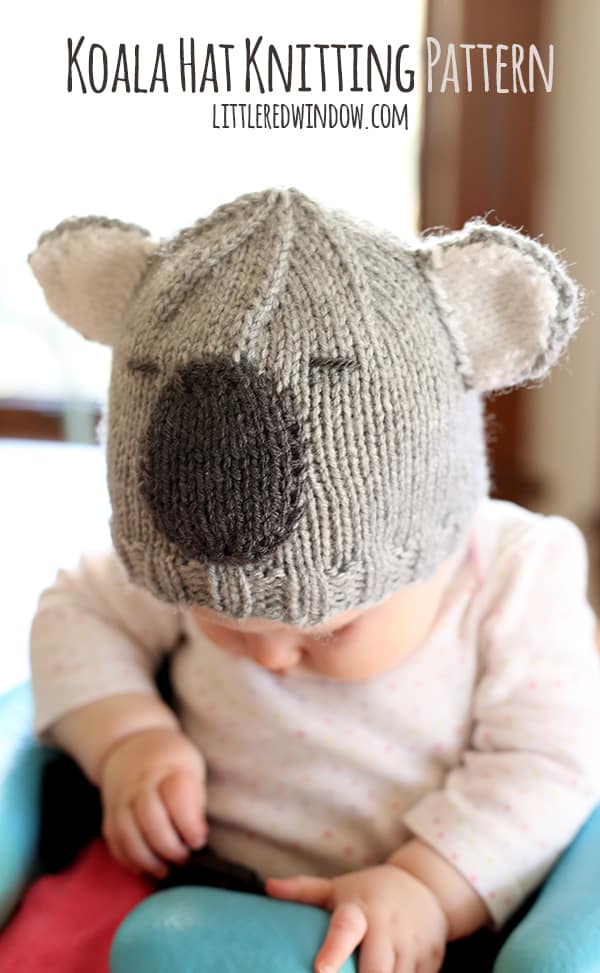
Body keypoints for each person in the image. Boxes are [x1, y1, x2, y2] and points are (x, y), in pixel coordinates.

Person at [10, 189, 600, 972]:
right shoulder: (178, 564)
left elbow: (551, 762)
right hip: (182, 881)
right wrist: (127, 736)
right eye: (218, 618)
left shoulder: (512, 576)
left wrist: (429, 882)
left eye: (326, 630)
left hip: (406, 921)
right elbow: (74, 610)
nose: (268, 656)